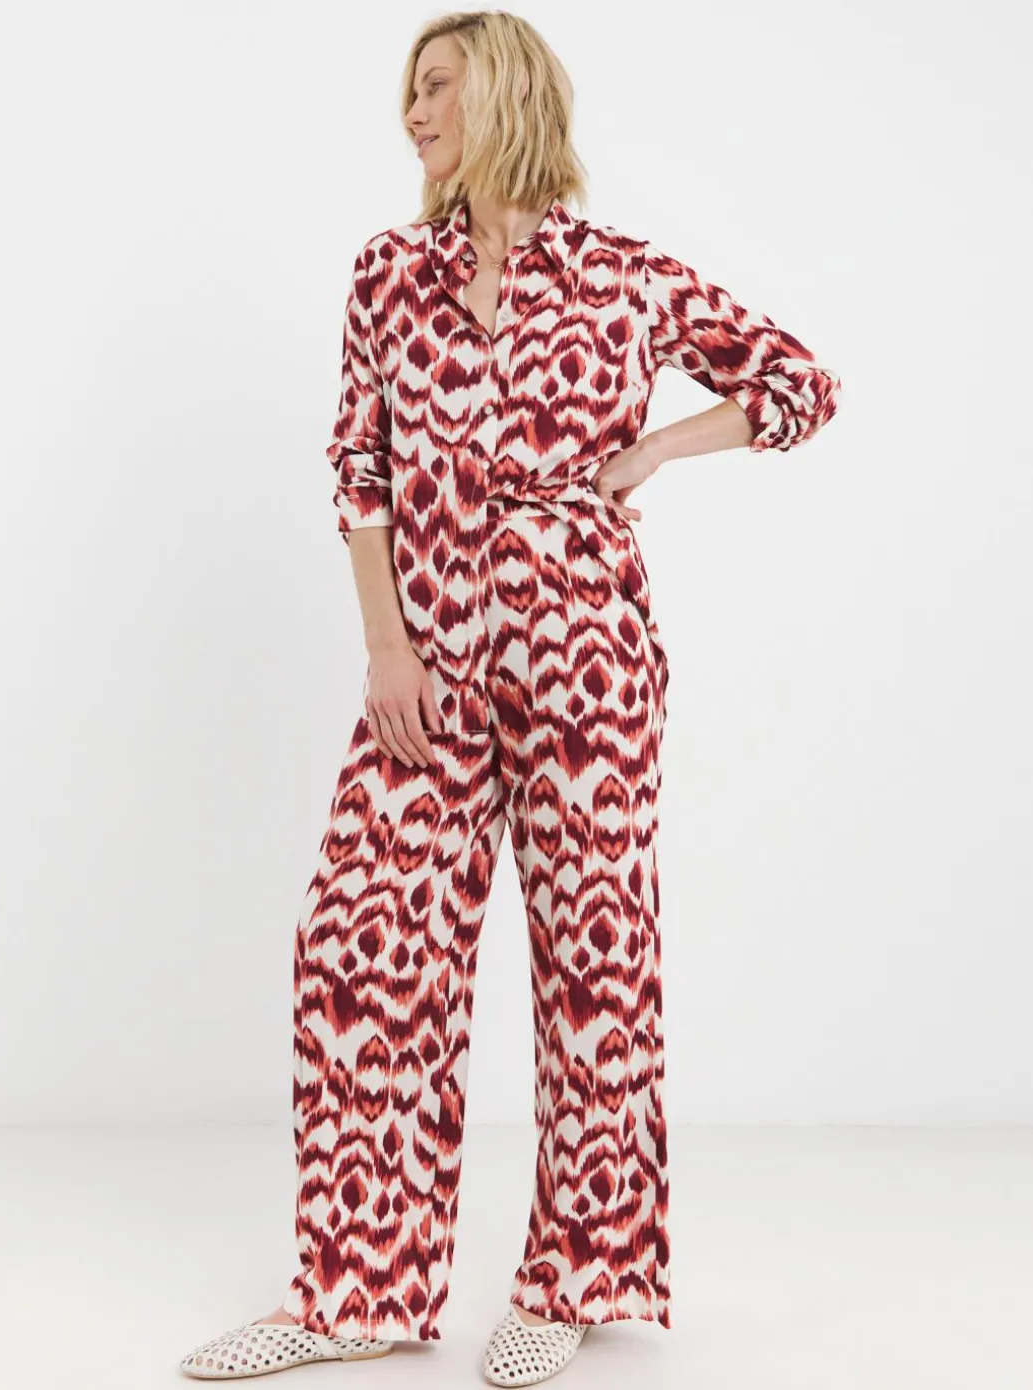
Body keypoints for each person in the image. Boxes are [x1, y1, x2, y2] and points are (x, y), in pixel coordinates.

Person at [178, 9, 841, 1387]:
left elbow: (798, 384)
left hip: (586, 652)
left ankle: (574, 1278)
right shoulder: (387, 274)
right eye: (408, 90)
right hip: (428, 661)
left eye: (437, 85)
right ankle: (358, 1288)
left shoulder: (621, 275)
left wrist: (654, 449)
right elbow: (358, 467)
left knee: (595, 962)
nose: (413, 111)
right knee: (361, 948)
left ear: (507, 94)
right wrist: (387, 648)